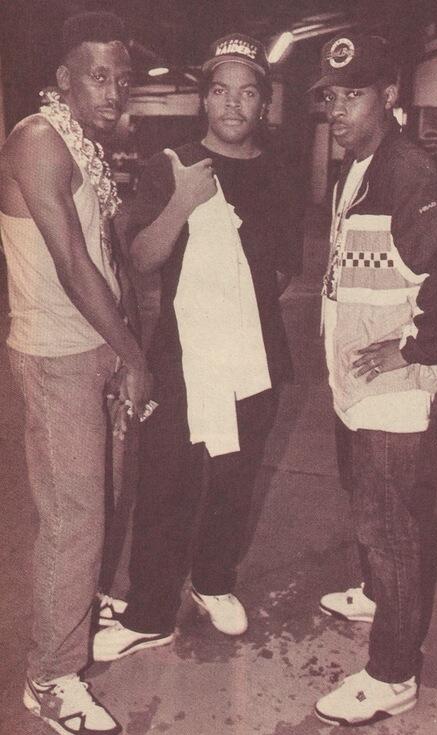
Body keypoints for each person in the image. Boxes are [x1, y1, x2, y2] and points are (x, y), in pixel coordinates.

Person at [93, 33, 303, 661]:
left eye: (248, 92)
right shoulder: (173, 165)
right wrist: (183, 204)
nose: (234, 104)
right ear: (205, 100)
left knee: (234, 481)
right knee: (166, 484)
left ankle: (213, 581)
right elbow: (141, 258)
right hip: (180, 358)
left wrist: (236, 312)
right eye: (221, 90)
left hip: (255, 356)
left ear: (263, 102)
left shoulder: (280, 171)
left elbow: (283, 269)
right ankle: (150, 611)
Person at [309, 34, 437, 726]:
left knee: (391, 528)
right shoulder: (358, 166)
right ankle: (377, 593)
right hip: (356, 379)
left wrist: (416, 348)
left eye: (353, 95)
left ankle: (391, 676)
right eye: (331, 96)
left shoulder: (405, 173)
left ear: (388, 96)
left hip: (392, 391)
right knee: (368, 504)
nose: (338, 109)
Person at [0, 12, 153, 735]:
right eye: (98, 75)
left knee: (103, 500)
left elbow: (110, 254)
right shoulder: (36, 139)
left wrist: (122, 348)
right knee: (73, 516)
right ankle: (51, 677)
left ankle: (78, 609)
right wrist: (136, 357)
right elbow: (70, 262)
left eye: (122, 78)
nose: (113, 90)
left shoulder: (83, 143)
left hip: (95, 347)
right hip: (57, 355)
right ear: (64, 78)